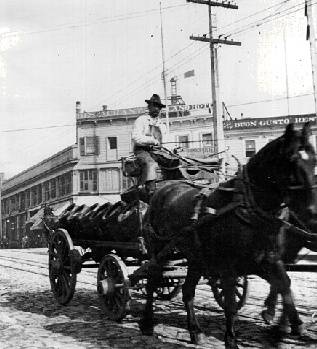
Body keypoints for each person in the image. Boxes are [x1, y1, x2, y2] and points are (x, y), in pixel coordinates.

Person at [132, 94, 167, 198]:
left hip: (157, 152)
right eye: (155, 106)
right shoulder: (141, 120)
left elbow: (165, 142)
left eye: (159, 107)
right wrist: (151, 141)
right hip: (142, 151)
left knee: (174, 162)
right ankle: (150, 192)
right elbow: (136, 138)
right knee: (150, 164)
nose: (157, 109)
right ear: (149, 107)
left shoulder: (162, 125)